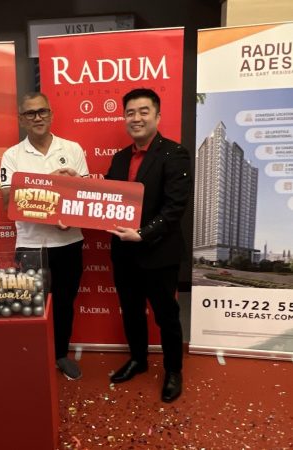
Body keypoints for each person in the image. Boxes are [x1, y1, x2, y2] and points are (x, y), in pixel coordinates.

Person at [105, 88, 192, 402]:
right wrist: (75, 183)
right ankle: (138, 360)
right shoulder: (119, 158)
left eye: (144, 111)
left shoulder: (174, 153)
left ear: (157, 116)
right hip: (124, 252)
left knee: (166, 316)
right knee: (131, 312)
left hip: (158, 253)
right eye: (130, 112)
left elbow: (175, 207)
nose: (136, 118)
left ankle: (173, 370)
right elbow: (105, 197)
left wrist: (143, 233)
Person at [0, 92, 89, 380]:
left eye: (42, 111)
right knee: (32, 306)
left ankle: (60, 354)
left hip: (69, 242)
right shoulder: (12, 156)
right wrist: (54, 189)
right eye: (30, 113)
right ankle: (35, 357)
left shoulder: (72, 149)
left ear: (51, 114)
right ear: (21, 119)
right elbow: (8, 201)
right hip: (31, 245)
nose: (37, 117)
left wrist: (71, 185)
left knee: (64, 304)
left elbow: (86, 198)